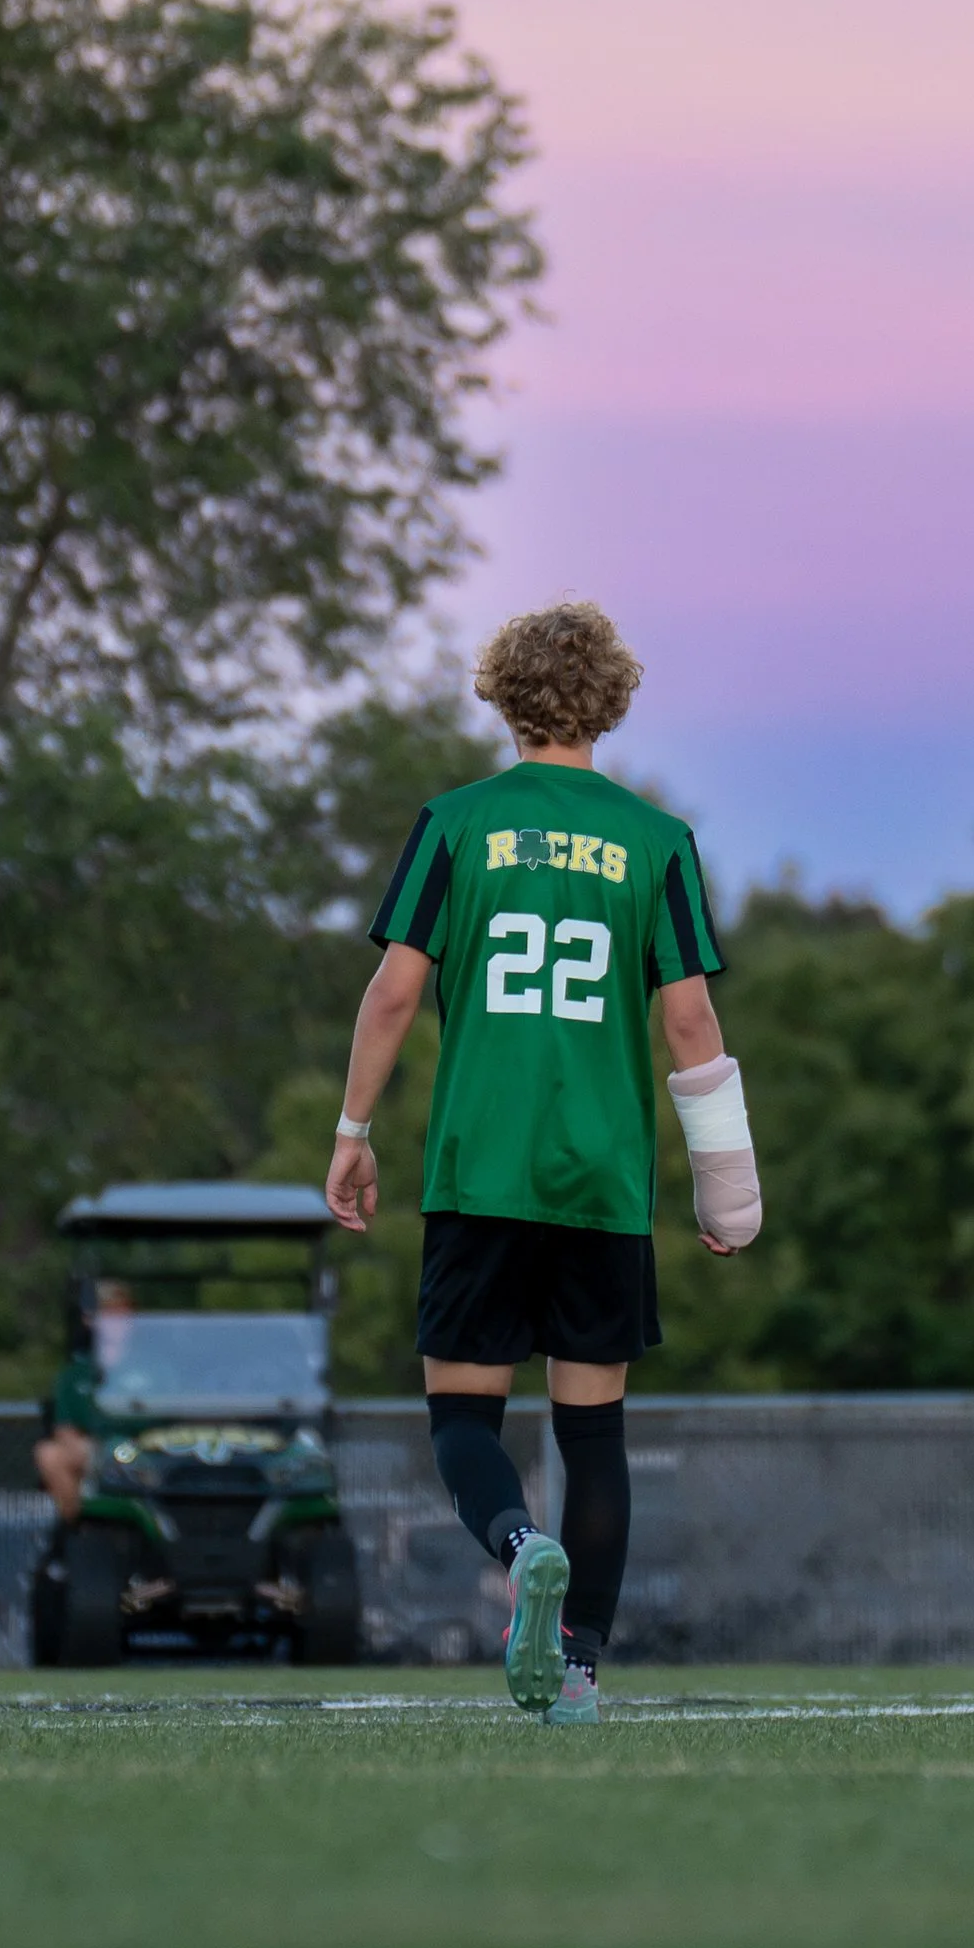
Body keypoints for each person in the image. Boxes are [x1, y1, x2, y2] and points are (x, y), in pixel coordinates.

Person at [325, 600, 763, 1724]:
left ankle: (520, 1546)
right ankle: (576, 1671)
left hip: (481, 1173)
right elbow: (691, 1025)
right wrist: (727, 1177)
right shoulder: (656, 842)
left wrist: (353, 1132)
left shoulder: (456, 824)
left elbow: (394, 992)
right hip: (601, 1182)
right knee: (593, 1434)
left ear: (501, 695)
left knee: (463, 1421)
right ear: (610, 701)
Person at [34, 1280, 137, 1527]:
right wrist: (97, 1451)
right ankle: (81, 1528)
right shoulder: (74, 1374)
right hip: (98, 1453)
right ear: (90, 1320)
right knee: (48, 1454)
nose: (114, 1323)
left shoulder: (153, 1367)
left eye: (120, 1314)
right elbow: (64, 1430)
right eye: (106, 1313)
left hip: (143, 1450)